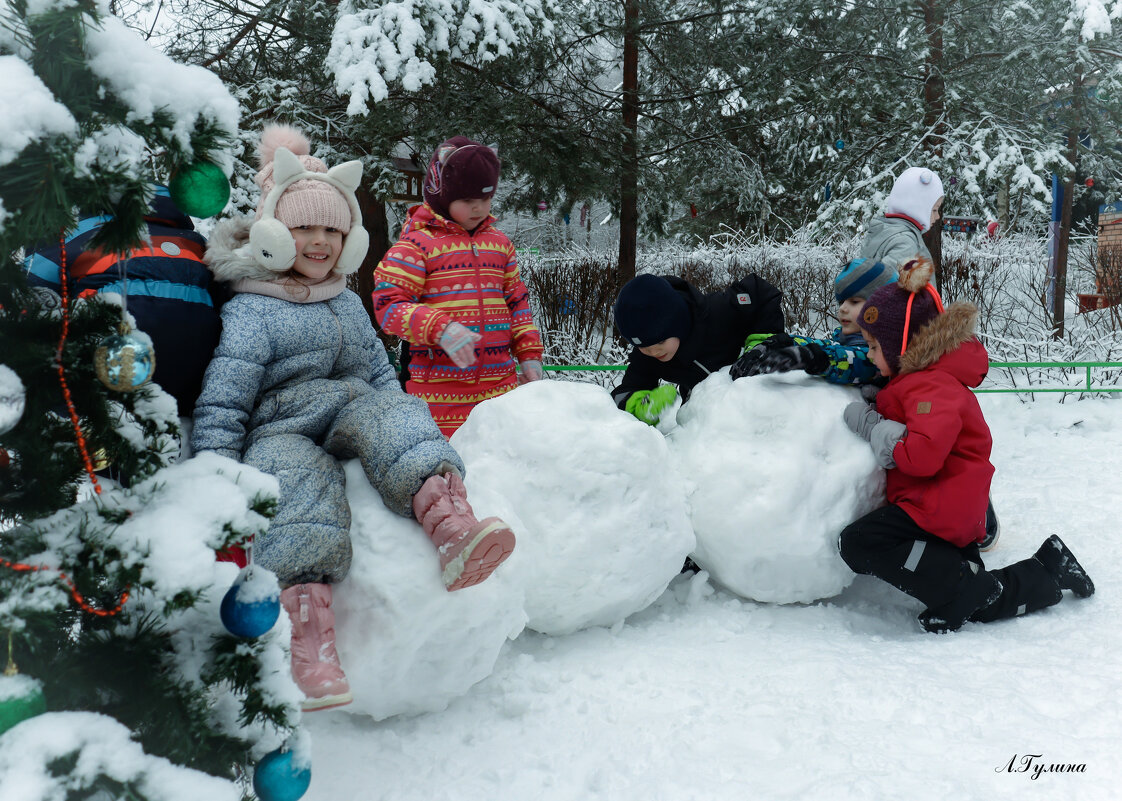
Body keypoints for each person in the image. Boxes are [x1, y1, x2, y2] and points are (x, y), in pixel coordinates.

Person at [192, 125, 516, 711]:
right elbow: (225, 399)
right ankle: (310, 639)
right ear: (275, 235)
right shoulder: (250, 308)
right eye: (305, 228)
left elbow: (376, 374)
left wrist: (396, 406)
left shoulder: (344, 299)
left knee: (395, 411)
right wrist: (215, 477)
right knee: (294, 484)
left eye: (332, 230)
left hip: (348, 410)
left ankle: (450, 525)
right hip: (280, 429)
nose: (320, 242)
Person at [838, 260, 1094, 633]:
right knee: (980, 603)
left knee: (858, 543)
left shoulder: (931, 386)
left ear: (901, 347)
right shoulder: (923, 380)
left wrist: (876, 426)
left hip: (939, 507)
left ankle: (963, 588)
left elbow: (922, 456)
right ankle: (1048, 567)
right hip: (949, 505)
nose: (871, 357)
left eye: (875, 348)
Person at [371, 136, 544, 437]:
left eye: (485, 200)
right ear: (441, 193)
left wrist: (529, 355)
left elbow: (517, 302)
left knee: (498, 470)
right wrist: (440, 328)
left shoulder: (499, 245)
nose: (478, 209)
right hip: (437, 395)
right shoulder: (416, 245)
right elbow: (388, 306)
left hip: (499, 390)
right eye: (467, 201)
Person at [23, 185, 224, 416]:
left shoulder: (82, 232)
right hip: (189, 378)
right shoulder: (196, 243)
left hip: (107, 364)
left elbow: (26, 285)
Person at [610, 272, 785, 425]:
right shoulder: (649, 355)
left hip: (757, 393)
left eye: (660, 343)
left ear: (676, 324)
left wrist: (762, 341)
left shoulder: (716, 313)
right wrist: (636, 404)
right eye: (643, 347)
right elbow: (625, 391)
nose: (653, 352)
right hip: (708, 413)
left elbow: (759, 292)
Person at [728, 256, 897, 386]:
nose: (843, 309)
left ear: (882, 307)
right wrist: (786, 342)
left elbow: (859, 361)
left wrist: (815, 358)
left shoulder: (885, 352)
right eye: (841, 302)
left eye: (854, 302)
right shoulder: (850, 338)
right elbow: (832, 346)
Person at [857, 165, 943, 273]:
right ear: (917, 207)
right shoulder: (905, 243)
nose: (938, 217)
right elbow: (887, 286)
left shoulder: (886, 232)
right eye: (934, 210)